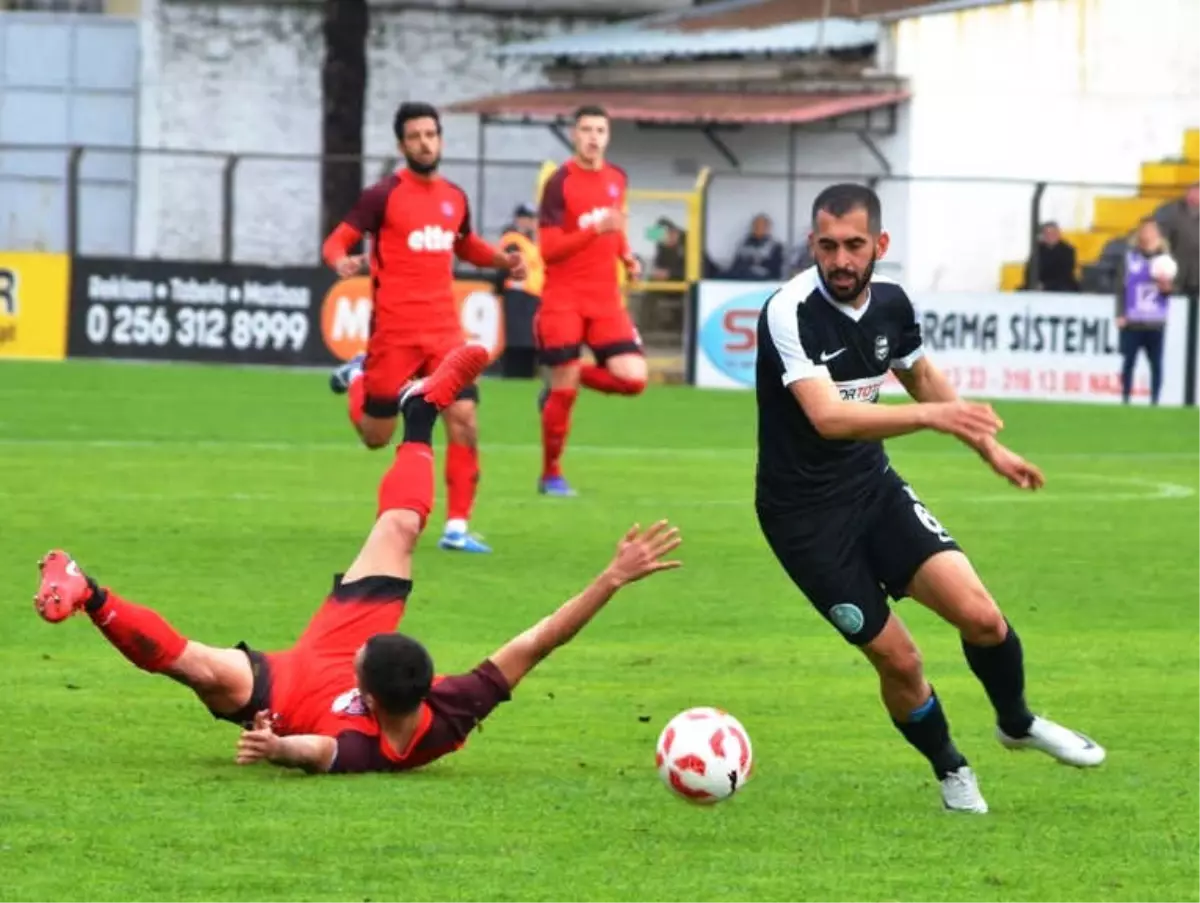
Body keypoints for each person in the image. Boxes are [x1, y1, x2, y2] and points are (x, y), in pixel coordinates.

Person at [32, 344, 682, 775]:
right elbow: (539, 640)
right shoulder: (450, 712)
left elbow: (314, 749)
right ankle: (420, 410)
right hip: (351, 633)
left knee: (199, 668)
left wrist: (272, 743)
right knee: (401, 525)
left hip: (281, 691)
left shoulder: (363, 746)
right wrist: (611, 578)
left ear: (365, 693)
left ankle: (87, 590)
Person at [753, 183, 1105, 814]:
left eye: (854, 246)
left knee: (983, 618)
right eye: (828, 246)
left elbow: (920, 375)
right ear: (812, 244)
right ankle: (951, 769)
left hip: (871, 488)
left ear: (879, 245)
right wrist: (933, 420)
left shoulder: (892, 302)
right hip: (803, 519)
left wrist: (988, 446)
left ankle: (1016, 722)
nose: (841, 260)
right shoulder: (789, 309)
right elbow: (827, 418)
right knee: (901, 660)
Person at [321, 101, 526, 554]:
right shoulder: (383, 195)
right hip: (392, 335)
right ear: (401, 144)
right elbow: (337, 239)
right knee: (377, 436)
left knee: (465, 419)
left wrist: (502, 260)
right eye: (414, 136)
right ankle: (357, 375)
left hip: (444, 333)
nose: (424, 143)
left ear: (440, 139)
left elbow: (466, 244)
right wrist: (341, 259)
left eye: (430, 134)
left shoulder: (454, 197)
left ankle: (456, 527)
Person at [535, 104, 646, 498]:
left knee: (634, 379)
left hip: (604, 299)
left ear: (608, 135)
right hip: (563, 297)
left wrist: (626, 257)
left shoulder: (617, 178)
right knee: (564, 394)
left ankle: (569, 374)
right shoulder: (558, 183)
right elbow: (547, 250)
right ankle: (551, 475)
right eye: (586, 129)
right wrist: (593, 230)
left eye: (600, 129)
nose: (593, 137)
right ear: (575, 134)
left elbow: (616, 229)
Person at [1115, 217, 1175, 405]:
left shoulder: (1166, 261)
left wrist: (1167, 289)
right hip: (1133, 319)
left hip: (1155, 320)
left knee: (1156, 363)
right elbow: (1120, 288)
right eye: (1144, 230)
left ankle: (1155, 401)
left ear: (1157, 234)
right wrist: (1119, 313)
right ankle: (1125, 399)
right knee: (1128, 362)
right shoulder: (1129, 258)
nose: (1147, 234)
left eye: (1151, 230)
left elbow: (1172, 289)